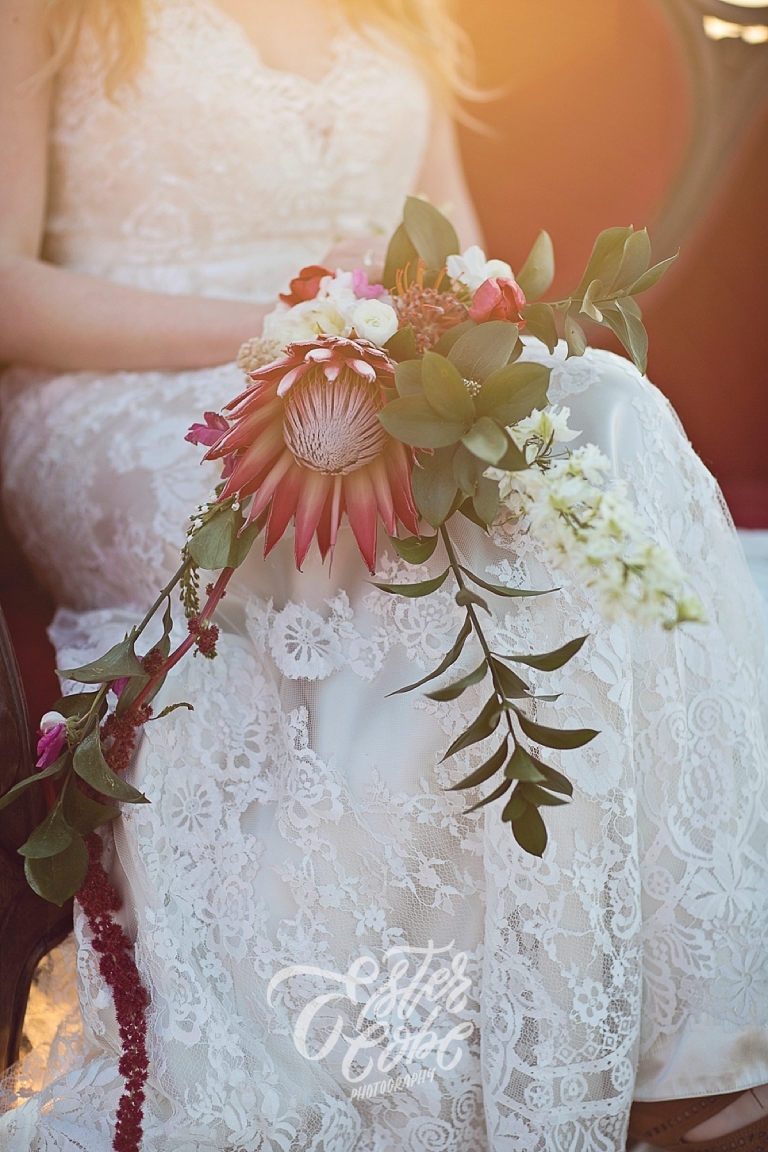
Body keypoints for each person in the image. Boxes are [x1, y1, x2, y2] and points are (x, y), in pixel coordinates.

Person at [1, 1, 767, 1149]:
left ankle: (662, 1032)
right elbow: (9, 287)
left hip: (362, 366)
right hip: (131, 394)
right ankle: (428, 1055)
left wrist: (456, 348)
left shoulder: (406, 12)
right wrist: (288, 332)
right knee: (372, 506)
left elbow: (451, 253)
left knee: (599, 408)